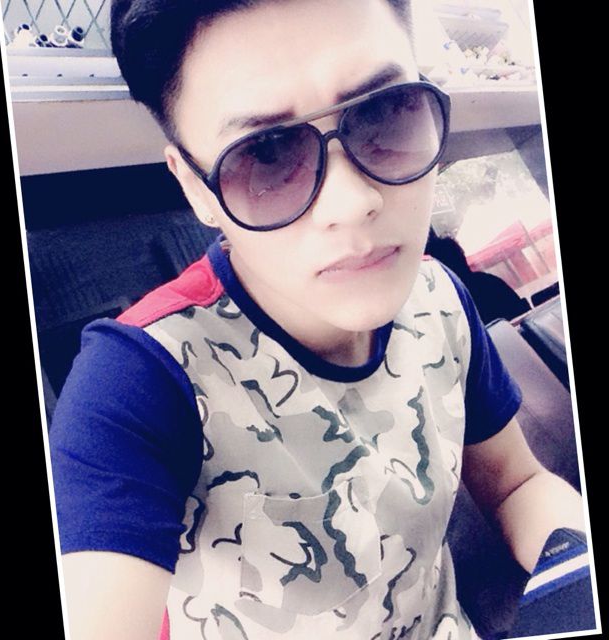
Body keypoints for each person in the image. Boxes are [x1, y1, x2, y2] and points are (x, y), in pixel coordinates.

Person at [48, 1, 587, 639]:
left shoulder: (438, 297)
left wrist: (577, 586)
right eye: (266, 153)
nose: (353, 201)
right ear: (195, 189)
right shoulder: (142, 381)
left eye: (384, 112)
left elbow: (516, 483)